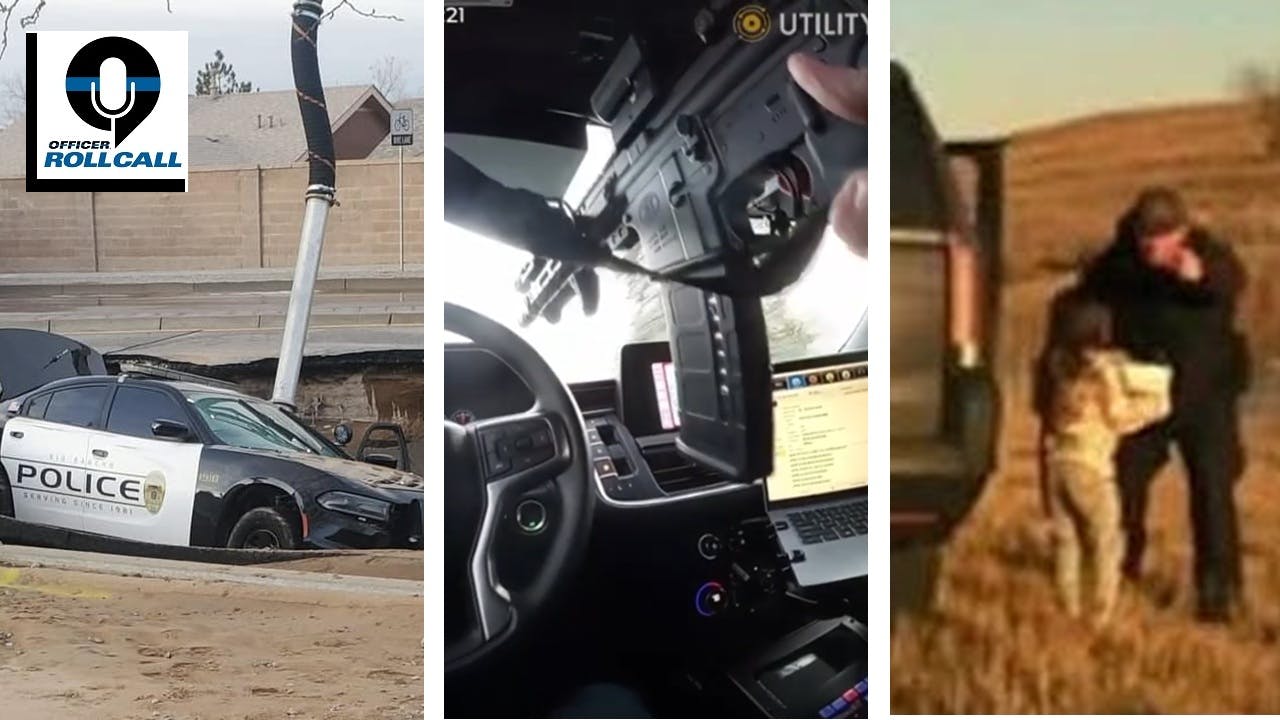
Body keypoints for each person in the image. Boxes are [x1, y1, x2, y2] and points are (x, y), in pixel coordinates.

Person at [1081, 186, 1249, 621]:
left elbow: (1232, 281)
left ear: (1183, 232)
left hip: (1207, 396)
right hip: (1142, 394)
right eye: (1145, 236)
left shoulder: (1210, 256)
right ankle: (1117, 575)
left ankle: (1219, 596)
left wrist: (1200, 276)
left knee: (1212, 494)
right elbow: (1087, 293)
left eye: (1162, 235)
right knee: (1123, 484)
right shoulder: (1119, 262)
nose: (1152, 245)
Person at [1035, 294, 1171, 624]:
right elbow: (1118, 417)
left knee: (1066, 541)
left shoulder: (1053, 367)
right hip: (1091, 467)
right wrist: (1155, 408)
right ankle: (1100, 614)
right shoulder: (1101, 371)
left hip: (1056, 463)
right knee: (1106, 542)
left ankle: (1067, 609)